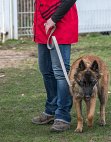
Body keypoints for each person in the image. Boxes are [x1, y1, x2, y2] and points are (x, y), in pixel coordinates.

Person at [32, 0, 78, 132]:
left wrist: (54, 19)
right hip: (43, 26)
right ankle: (51, 110)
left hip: (60, 24)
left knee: (60, 72)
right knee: (45, 69)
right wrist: (36, 22)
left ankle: (63, 116)